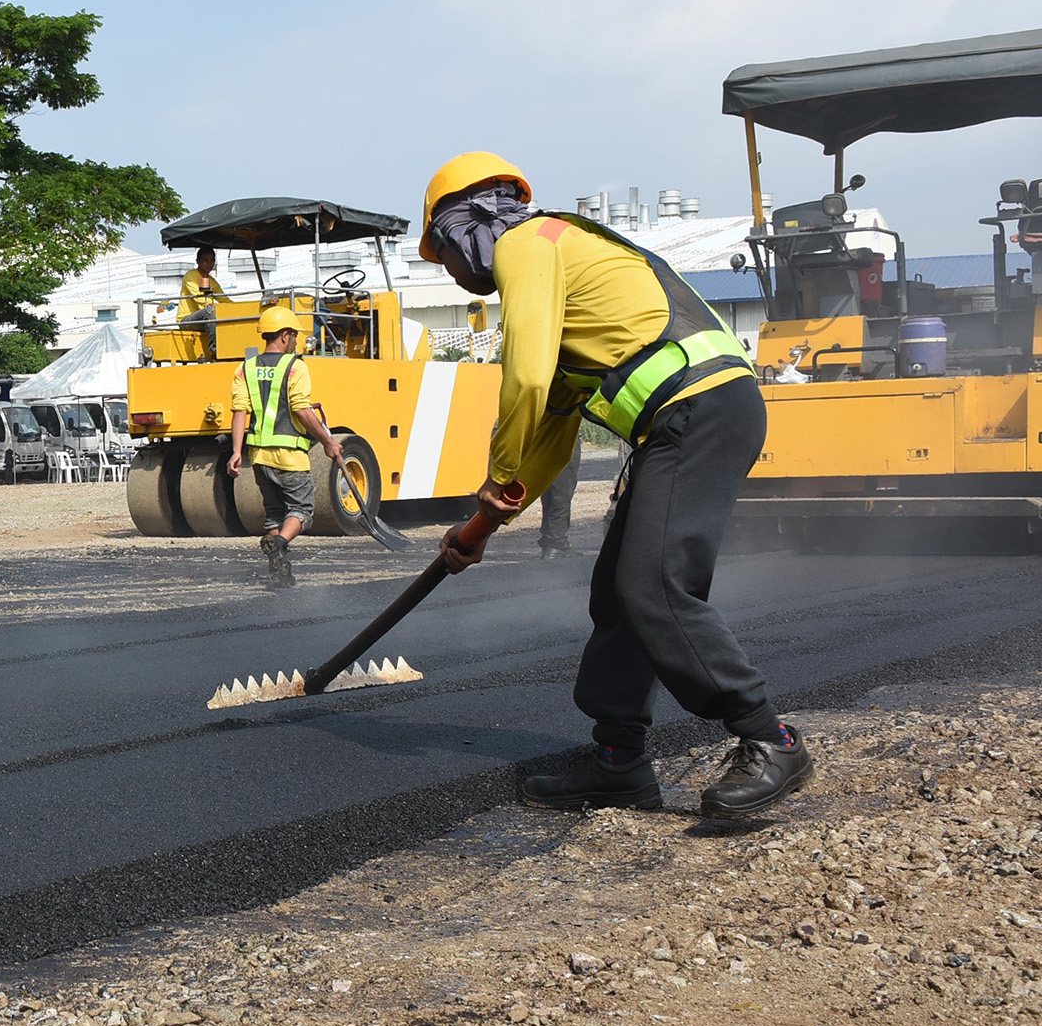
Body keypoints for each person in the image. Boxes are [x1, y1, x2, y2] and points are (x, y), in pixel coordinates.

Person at [420, 152, 809, 820]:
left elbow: (525, 378)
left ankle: (770, 737)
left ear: (466, 228)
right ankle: (618, 762)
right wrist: (482, 526)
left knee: (654, 583)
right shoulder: (566, 275)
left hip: (702, 408)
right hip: (688, 418)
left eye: (444, 255)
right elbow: (552, 432)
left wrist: (496, 479)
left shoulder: (528, 245)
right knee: (619, 593)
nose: (451, 272)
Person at [227, 305, 345, 588]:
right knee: (302, 511)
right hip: (290, 456)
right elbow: (301, 409)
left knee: (274, 514)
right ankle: (279, 543)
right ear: (284, 335)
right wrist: (328, 441)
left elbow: (240, 411)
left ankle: (279, 571)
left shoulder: (245, 369)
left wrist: (236, 451)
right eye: (294, 335)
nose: (295, 341)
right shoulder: (295, 366)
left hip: (259, 458)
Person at [537, 428, 583, 559]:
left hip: (543, 437)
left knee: (549, 490)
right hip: (564, 437)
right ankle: (556, 542)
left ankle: (549, 539)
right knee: (562, 492)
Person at [179, 246, 225, 360]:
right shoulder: (191, 276)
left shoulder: (212, 281)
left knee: (228, 315)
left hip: (205, 318)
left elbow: (223, 299)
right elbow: (198, 299)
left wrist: (236, 308)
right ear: (198, 261)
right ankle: (217, 352)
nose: (209, 264)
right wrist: (215, 306)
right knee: (211, 311)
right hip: (187, 320)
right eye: (205, 260)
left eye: (212, 260)